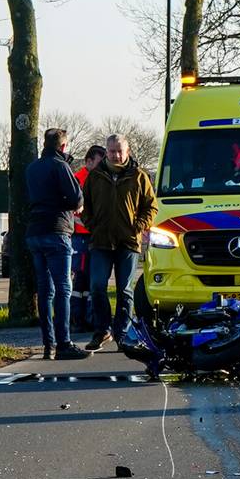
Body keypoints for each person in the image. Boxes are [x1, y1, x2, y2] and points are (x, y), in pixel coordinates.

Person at [82, 134, 157, 352]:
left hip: (128, 242)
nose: (116, 155)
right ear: (106, 152)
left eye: (119, 151)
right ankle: (102, 330)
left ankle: (122, 334)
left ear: (127, 152)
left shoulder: (139, 177)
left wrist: (139, 226)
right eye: (112, 151)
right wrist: (92, 224)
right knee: (96, 287)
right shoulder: (94, 177)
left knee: (125, 290)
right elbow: (84, 205)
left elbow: (151, 206)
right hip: (100, 242)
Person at [25, 128, 90, 360]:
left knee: (45, 290)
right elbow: (75, 198)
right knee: (64, 288)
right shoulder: (60, 166)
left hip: (35, 231)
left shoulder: (32, 168)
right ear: (63, 146)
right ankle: (64, 343)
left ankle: (48, 344)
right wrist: (72, 202)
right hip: (57, 230)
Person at [70, 144, 107, 333]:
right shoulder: (78, 180)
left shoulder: (97, 178)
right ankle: (78, 318)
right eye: (99, 163)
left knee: (94, 280)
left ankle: (91, 318)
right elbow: (76, 212)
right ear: (88, 161)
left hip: (93, 236)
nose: (102, 166)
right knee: (81, 279)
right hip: (82, 237)